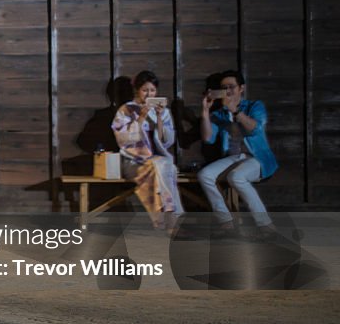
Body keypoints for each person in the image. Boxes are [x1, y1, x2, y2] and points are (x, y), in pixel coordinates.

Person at [198, 69, 278, 234]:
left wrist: (235, 111)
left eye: (231, 87)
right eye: (223, 87)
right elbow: (208, 138)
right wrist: (205, 112)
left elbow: (255, 129)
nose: (227, 91)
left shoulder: (254, 106)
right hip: (234, 157)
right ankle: (226, 222)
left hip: (257, 157)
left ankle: (265, 225)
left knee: (236, 176)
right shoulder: (219, 113)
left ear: (241, 88)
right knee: (204, 174)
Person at [111, 70, 183, 228]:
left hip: (157, 160)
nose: (149, 94)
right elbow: (123, 140)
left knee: (166, 166)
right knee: (161, 166)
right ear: (137, 90)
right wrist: (141, 117)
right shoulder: (126, 110)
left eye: (152, 90)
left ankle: (169, 217)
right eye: (145, 90)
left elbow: (168, 141)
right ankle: (171, 220)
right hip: (133, 161)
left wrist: (158, 118)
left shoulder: (164, 113)